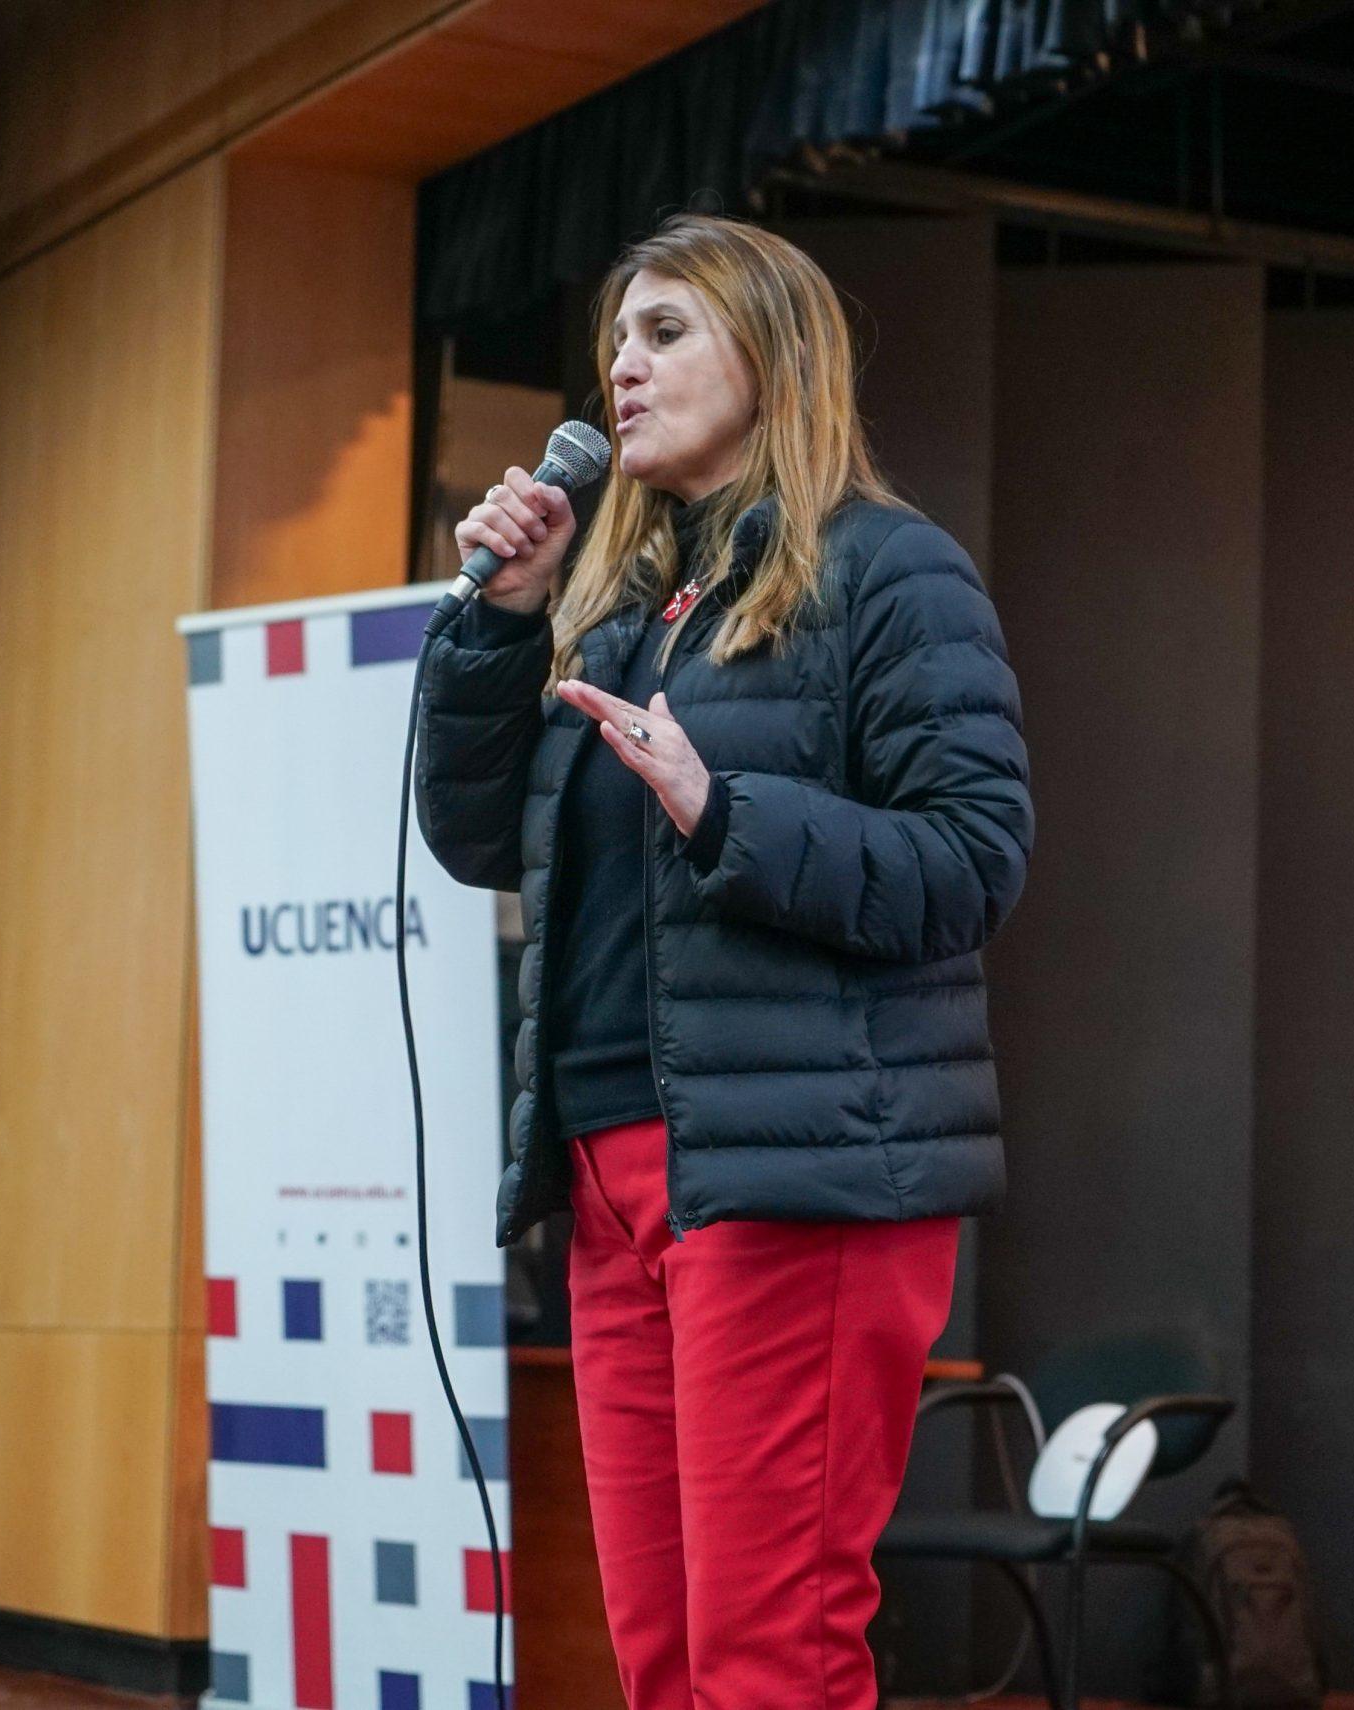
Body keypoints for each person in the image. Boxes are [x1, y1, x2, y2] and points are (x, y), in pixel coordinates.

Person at [412, 212, 1034, 1710]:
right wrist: (507, 623)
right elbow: (480, 837)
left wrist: (725, 809)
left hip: (792, 1167)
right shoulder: (621, 610)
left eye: (666, 331)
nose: (623, 368)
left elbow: (972, 860)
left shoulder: (892, 573)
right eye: (615, 341)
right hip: (612, 1177)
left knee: (769, 1655)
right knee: (664, 1655)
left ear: (774, 354)